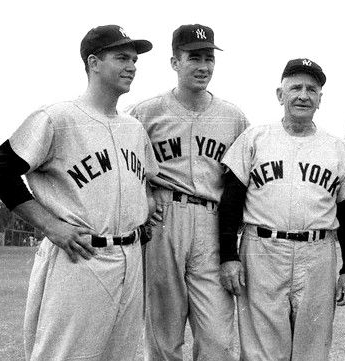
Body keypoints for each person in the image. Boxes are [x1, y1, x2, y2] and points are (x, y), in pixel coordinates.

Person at [0, 25, 158, 360]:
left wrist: (144, 206)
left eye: (134, 59)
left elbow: (145, 181)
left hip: (131, 257)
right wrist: (51, 226)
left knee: (119, 355)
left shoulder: (134, 128)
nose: (132, 66)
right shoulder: (58, 118)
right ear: (93, 62)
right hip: (80, 255)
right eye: (122, 57)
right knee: (64, 355)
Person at [218, 58, 345, 361]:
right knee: (261, 353)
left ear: (320, 99)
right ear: (279, 94)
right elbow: (230, 201)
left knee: (312, 350)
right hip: (262, 251)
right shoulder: (255, 138)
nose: (303, 95)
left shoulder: (336, 148)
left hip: (318, 253)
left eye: (312, 89)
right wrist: (228, 256)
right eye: (295, 87)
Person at [127, 24, 248, 361]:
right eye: (194, 57)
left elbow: (241, 182)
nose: (203, 66)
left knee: (218, 339)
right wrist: (144, 194)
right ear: (174, 62)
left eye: (209, 58)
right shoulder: (145, 112)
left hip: (212, 221)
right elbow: (126, 169)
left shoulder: (233, 117)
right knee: (164, 335)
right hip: (163, 219)